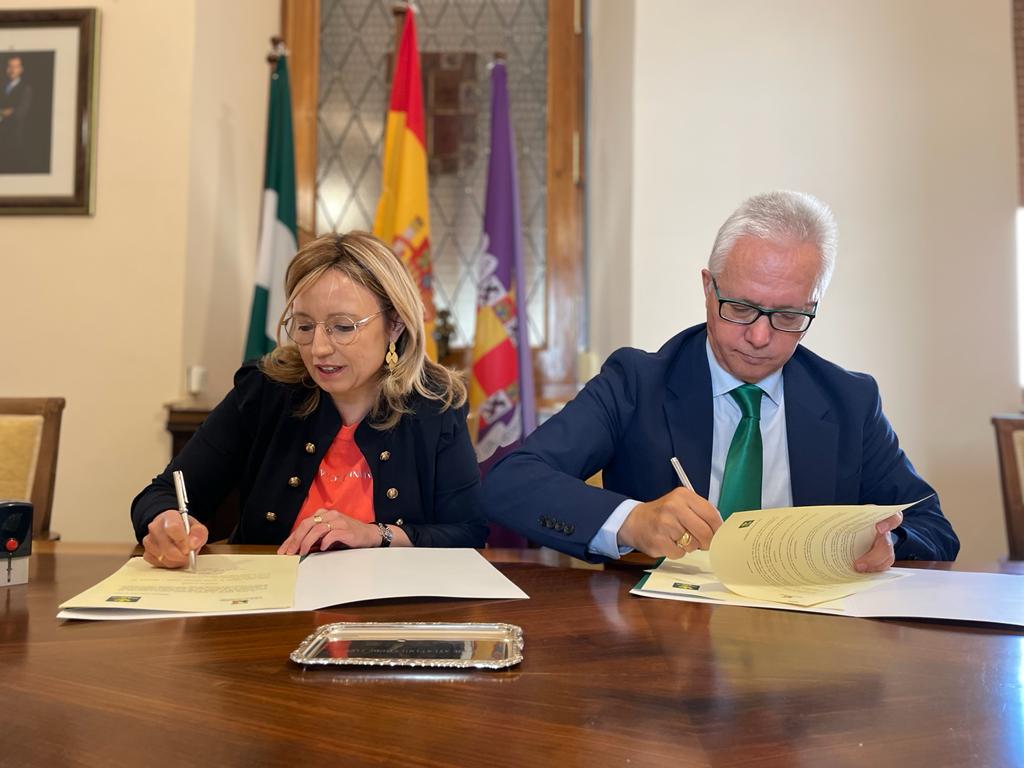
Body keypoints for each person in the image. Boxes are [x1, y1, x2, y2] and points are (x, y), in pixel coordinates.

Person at [482, 190, 959, 570]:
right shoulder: (638, 382)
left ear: (813, 307)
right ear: (708, 289)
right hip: (662, 648)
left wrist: (889, 541)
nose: (758, 336)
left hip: (808, 648)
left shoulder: (850, 400)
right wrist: (632, 520)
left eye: (789, 315)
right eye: (741, 307)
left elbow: (933, 528)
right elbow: (509, 482)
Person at [133, 232, 488, 567]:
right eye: (304, 326)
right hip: (269, 616)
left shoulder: (434, 405)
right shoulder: (265, 392)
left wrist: (375, 534)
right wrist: (165, 522)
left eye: (343, 326)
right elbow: (163, 493)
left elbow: (468, 531)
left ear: (394, 324)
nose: (318, 348)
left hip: (386, 619)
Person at [0, 56, 31, 172]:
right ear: (6, 69)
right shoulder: (2, 87)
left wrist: (10, 112)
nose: (12, 70)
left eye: (16, 67)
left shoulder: (25, 89)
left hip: (15, 136)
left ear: (21, 69)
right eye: (10, 66)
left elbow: (20, 113)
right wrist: (5, 112)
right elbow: (8, 111)